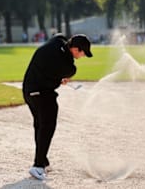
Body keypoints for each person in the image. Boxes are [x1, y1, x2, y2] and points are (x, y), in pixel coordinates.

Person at [22, 33, 93, 180]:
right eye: (83, 52)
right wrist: (61, 77)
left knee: (40, 125)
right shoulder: (69, 68)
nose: (83, 56)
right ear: (75, 49)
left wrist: (57, 77)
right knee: (48, 126)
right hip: (41, 93)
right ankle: (38, 166)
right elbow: (65, 69)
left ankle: (43, 160)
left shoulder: (57, 41)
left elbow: (56, 44)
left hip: (28, 90)